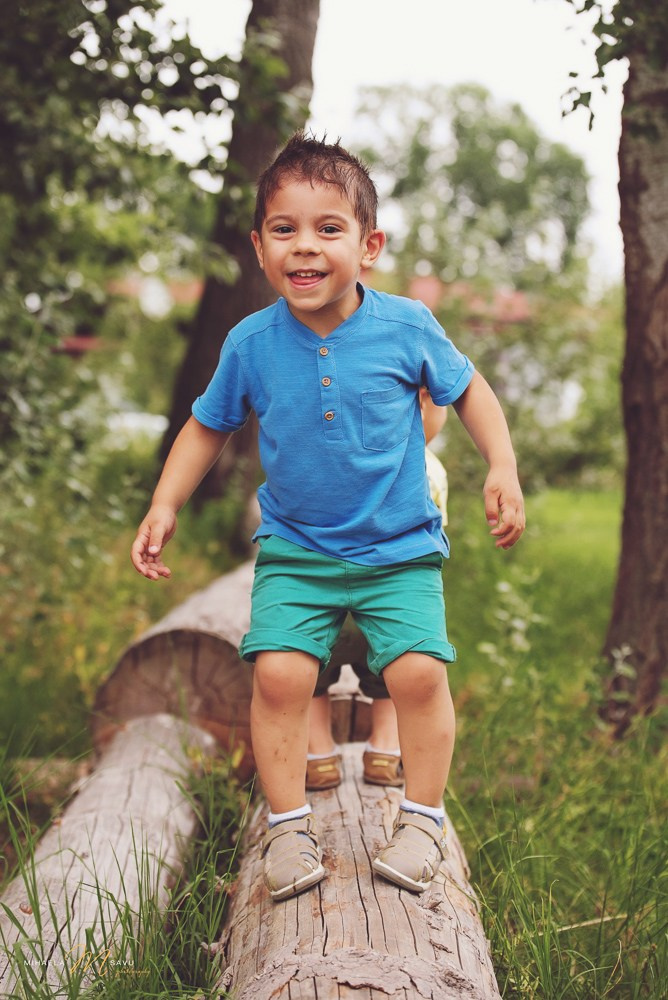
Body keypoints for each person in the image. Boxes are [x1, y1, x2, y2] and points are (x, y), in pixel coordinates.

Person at [131, 132, 525, 903]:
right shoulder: (250, 342)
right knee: (278, 676)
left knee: (416, 673)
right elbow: (207, 425)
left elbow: (469, 390)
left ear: (369, 245)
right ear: (258, 246)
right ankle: (286, 828)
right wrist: (164, 501)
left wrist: (502, 466)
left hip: (400, 549)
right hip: (296, 550)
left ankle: (421, 821)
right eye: (285, 230)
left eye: (328, 228)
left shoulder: (407, 326)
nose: (304, 247)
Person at [306, 389, 448, 791]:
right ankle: (384, 752)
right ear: (420, 405)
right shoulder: (429, 470)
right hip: (385, 606)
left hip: (322, 603)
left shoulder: (336, 461)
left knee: (310, 676)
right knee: (391, 677)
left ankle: (318, 757)